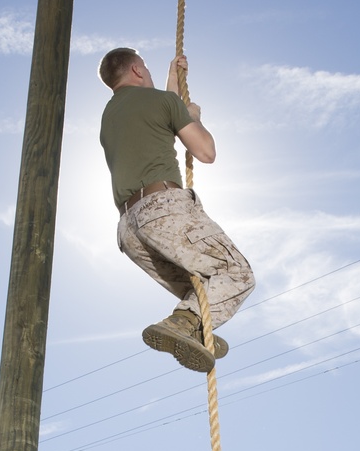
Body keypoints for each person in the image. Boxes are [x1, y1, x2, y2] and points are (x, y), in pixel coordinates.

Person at [98, 48, 254, 374]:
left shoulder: (110, 115)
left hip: (129, 229)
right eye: (148, 71)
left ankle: (192, 324)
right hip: (163, 207)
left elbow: (161, 114)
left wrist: (173, 78)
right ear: (138, 70)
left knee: (197, 286)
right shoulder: (160, 102)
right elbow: (205, 151)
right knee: (235, 274)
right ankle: (185, 323)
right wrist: (193, 117)